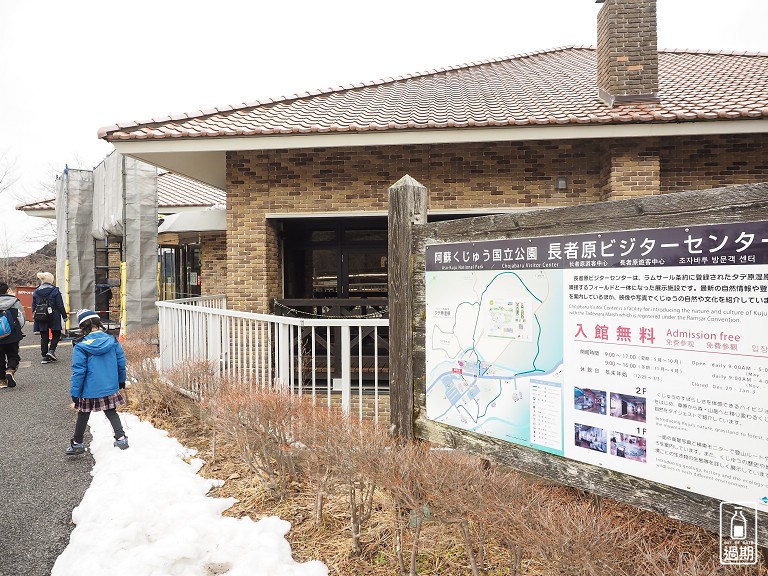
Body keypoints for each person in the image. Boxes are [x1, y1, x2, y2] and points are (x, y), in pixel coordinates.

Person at [67, 309, 129, 455]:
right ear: (98, 323)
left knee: (83, 414)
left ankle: (77, 444)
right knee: (111, 411)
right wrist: (121, 381)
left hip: (89, 388)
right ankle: (121, 438)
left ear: (83, 326)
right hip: (109, 385)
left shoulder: (80, 345)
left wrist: (75, 392)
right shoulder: (112, 340)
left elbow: (79, 372)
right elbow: (121, 363)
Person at [32, 271, 67, 364]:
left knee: (44, 336)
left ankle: (44, 356)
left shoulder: (36, 291)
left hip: (41, 315)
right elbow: (60, 305)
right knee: (56, 333)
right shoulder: (55, 290)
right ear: (51, 280)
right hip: (54, 315)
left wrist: (34, 316)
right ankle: (51, 351)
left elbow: (34, 306)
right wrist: (64, 316)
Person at [0, 282, 25, 388]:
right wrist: (18, 329)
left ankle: (2, 381)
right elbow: (21, 318)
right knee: (13, 354)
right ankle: (10, 370)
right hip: (13, 334)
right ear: (6, 290)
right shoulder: (14, 301)